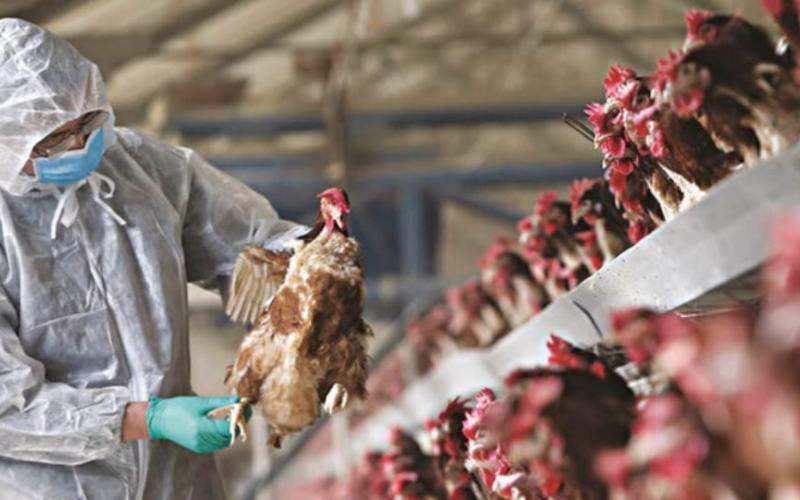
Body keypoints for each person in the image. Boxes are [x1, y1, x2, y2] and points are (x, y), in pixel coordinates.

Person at [0, 18, 305, 500]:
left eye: (85, 123)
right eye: (51, 140)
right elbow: (7, 407)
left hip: (177, 482)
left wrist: (310, 272)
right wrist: (152, 418)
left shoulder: (137, 167)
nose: (78, 146)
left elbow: (250, 245)